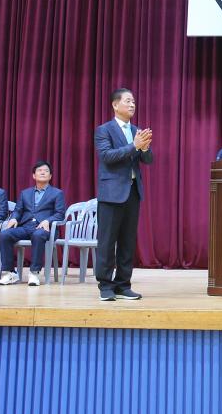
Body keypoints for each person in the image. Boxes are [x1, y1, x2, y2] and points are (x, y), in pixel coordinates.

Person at [94, 88, 153, 301]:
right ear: (115, 104)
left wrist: (144, 148)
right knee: (107, 241)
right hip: (111, 194)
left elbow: (148, 161)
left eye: (134, 102)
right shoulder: (104, 130)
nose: (132, 105)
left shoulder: (137, 130)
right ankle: (106, 286)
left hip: (133, 193)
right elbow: (107, 156)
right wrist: (134, 146)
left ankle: (123, 284)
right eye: (128, 101)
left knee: (128, 242)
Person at [0, 161, 66, 286]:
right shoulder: (25, 193)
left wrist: (48, 220)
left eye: (46, 171)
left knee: (38, 235)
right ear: (34, 175)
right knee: (4, 235)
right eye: (39, 170)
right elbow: (18, 210)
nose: (43, 172)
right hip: (26, 226)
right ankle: (10, 273)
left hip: (44, 228)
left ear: (50, 176)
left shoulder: (57, 193)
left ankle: (34, 272)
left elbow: (60, 214)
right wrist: (14, 218)